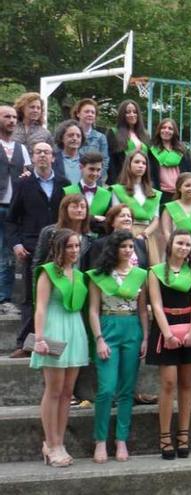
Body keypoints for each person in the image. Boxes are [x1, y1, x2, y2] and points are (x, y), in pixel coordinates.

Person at [86, 230, 149, 463]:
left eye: (131, 246)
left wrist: (145, 338)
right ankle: (100, 440)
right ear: (113, 248)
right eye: (123, 246)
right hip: (108, 327)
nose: (128, 250)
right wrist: (99, 338)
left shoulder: (140, 274)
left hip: (132, 327)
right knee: (106, 389)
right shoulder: (98, 275)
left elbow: (143, 309)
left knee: (126, 389)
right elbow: (93, 309)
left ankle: (121, 439)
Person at [30, 229, 88, 467]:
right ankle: (50, 443)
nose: (74, 251)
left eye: (77, 246)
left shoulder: (78, 273)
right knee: (53, 390)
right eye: (69, 246)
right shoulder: (47, 272)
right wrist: (40, 338)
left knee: (67, 392)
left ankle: (60, 441)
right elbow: (40, 307)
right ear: (59, 248)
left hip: (75, 328)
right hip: (54, 328)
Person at [145, 230, 191, 460]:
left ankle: (184, 434)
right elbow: (156, 305)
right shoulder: (156, 272)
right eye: (180, 242)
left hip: (189, 327)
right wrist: (167, 334)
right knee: (169, 383)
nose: (184, 247)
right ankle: (165, 435)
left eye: (188, 244)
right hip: (166, 327)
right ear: (170, 245)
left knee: (187, 383)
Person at [8, 141, 69, 358]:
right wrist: (16, 243)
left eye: (46, 152)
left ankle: (53, 341)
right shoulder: (23, 184)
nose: (42, 155)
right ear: (32, 158)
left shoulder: (64, 183)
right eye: (38, 152)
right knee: (28, 297)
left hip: (59, 249)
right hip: (30, 247)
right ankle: (25, 344)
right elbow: (12, 219)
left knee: (56, 296)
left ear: (53, 157)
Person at [0, 105, 30, 314]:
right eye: (6, 117)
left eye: (14, 117)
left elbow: (27, 172)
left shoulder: (22, 148)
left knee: (9, 254)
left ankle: (5, 298)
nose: (11, 120)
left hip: (13, 207)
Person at [111, 151, 162, 265]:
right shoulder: (118, 190)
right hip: (125, 233)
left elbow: (156, 219)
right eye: (137, 162)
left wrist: (143, 235)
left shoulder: (154, 193)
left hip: (148, 235)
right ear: (129, 165)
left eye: (144, 163)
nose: (141, 166)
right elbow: (116, 216)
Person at [161, 173, 191, 275]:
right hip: (174, 249)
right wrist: (175, 249)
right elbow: (166, 231)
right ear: (179, 188)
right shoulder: (169, 208)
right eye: (188, 185)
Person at [148, 118, 191, 204]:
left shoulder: (182, 151)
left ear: (174, 132)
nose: (166, 130)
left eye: (170, 128)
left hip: (180, 193)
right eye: (163, 127)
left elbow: (190, 172)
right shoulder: (152, 150)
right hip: (159, 192)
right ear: (159, 130)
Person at [107, 100, 149, 185]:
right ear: (122, 115)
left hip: (141, 181)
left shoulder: (145, 134)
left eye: (134, 112)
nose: (132, 114)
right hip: (122, 180)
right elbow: (111, 161)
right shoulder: (113, 133)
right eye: (128, 112)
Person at [63, 151, 112, 223]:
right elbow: (64, 217)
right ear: (81, 167)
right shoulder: (67, 191)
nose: (95, 173)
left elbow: (107, 221)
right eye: (91, 169)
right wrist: (93, 218)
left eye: (98, 170)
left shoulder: (107, 194)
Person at [69, 98, 109, 180]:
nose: (90, 114)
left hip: (93, 181)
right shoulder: (69, 135)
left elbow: (105, 161)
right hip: (72, 179)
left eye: (93, 112)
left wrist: (97, 177)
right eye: (87, 112)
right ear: (78, 114)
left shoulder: (101, 137)